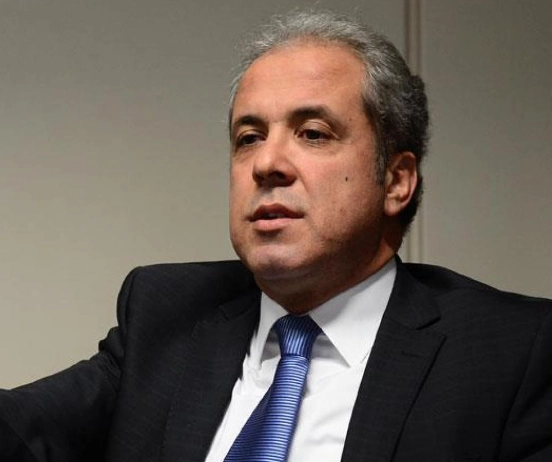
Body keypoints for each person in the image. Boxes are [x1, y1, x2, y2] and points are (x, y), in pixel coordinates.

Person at [1, 9, 551, 462]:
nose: (266, 163)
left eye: (313, 133)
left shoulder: (512, 353)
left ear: (396, 180)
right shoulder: (166, 316)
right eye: (248, 137)